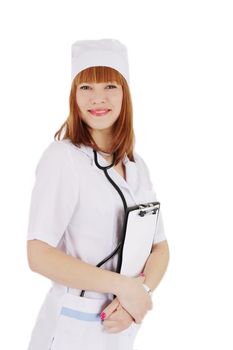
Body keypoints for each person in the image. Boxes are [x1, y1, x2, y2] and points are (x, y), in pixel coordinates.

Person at [26, 38, 170, 350]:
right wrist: (124, 288)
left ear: (125, 94)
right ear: (74, 95)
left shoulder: (136, 164)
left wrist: (138, 297)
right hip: (72, 326)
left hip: (121, 325)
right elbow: (38, 254)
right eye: (86, 88)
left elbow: (160, 247)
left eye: (109, 86)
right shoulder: (62, 158)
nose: (97, 99)